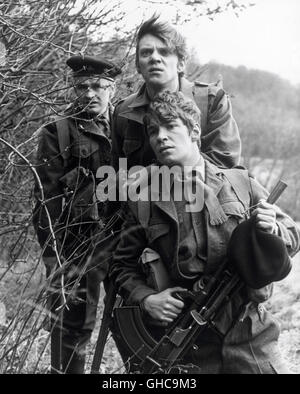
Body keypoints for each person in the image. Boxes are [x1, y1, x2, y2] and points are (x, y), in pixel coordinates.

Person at [110, 91, 300, 374]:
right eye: (153, 131)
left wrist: (272, 229)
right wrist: (147, 299)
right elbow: (120, 265)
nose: (160, 137)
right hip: (188, 342)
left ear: (195, 132)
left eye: (170, 126)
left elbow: (292, 236)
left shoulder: (240, 182)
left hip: (250, 334)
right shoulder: (142, 198)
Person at [32, 55, 121, 374]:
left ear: (113, 87)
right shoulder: (58, 133)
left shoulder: (128, 126)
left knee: (135, 319)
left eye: (98, 86)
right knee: (73, 327)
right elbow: (46, 201)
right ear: (73, 87)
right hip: (78, 246)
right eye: (82, 86)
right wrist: (53, 257)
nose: (89, 93)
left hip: (127, 241)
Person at [111, 15, 241, 174]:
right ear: (138, 65)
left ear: (181, 63)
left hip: (200, 196)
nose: (154, 58)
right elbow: (118, 172)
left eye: (164, 52)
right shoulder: (124, 112)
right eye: (146, 53)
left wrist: (154, 173)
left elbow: (224, 165)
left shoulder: (210, 101)